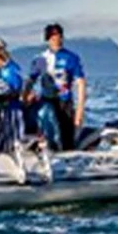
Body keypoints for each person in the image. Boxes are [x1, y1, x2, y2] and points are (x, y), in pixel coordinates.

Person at [22, 23, 86, 151]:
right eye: (53, 37)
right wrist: (24, 98)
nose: (57, 39)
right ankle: (47, 150)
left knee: (67, 137)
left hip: (65, 101)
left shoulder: (71, 57)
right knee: (47, 126)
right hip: (47, 100)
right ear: (48, 39)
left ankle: (69, 157)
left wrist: (79, 111)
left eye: (59, 36)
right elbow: (30, 80)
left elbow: (81, 83)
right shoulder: (41, 58)